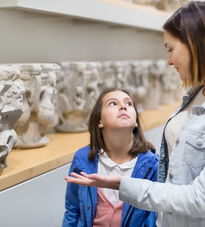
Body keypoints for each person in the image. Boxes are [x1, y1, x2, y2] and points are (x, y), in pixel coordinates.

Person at [65, 1, 205, 227]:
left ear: (196, 45)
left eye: (170, 49)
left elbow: (201, 200)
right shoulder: (199, 94)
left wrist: (123, 185)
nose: (169, 61)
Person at [62, 87, 159, 226]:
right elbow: (73, 210)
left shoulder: (152, 165)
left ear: (136, 121)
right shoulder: (82, 158)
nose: (123, 107)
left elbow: (153, 218)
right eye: (113, 103)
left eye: (128, 103)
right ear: (99, 121)